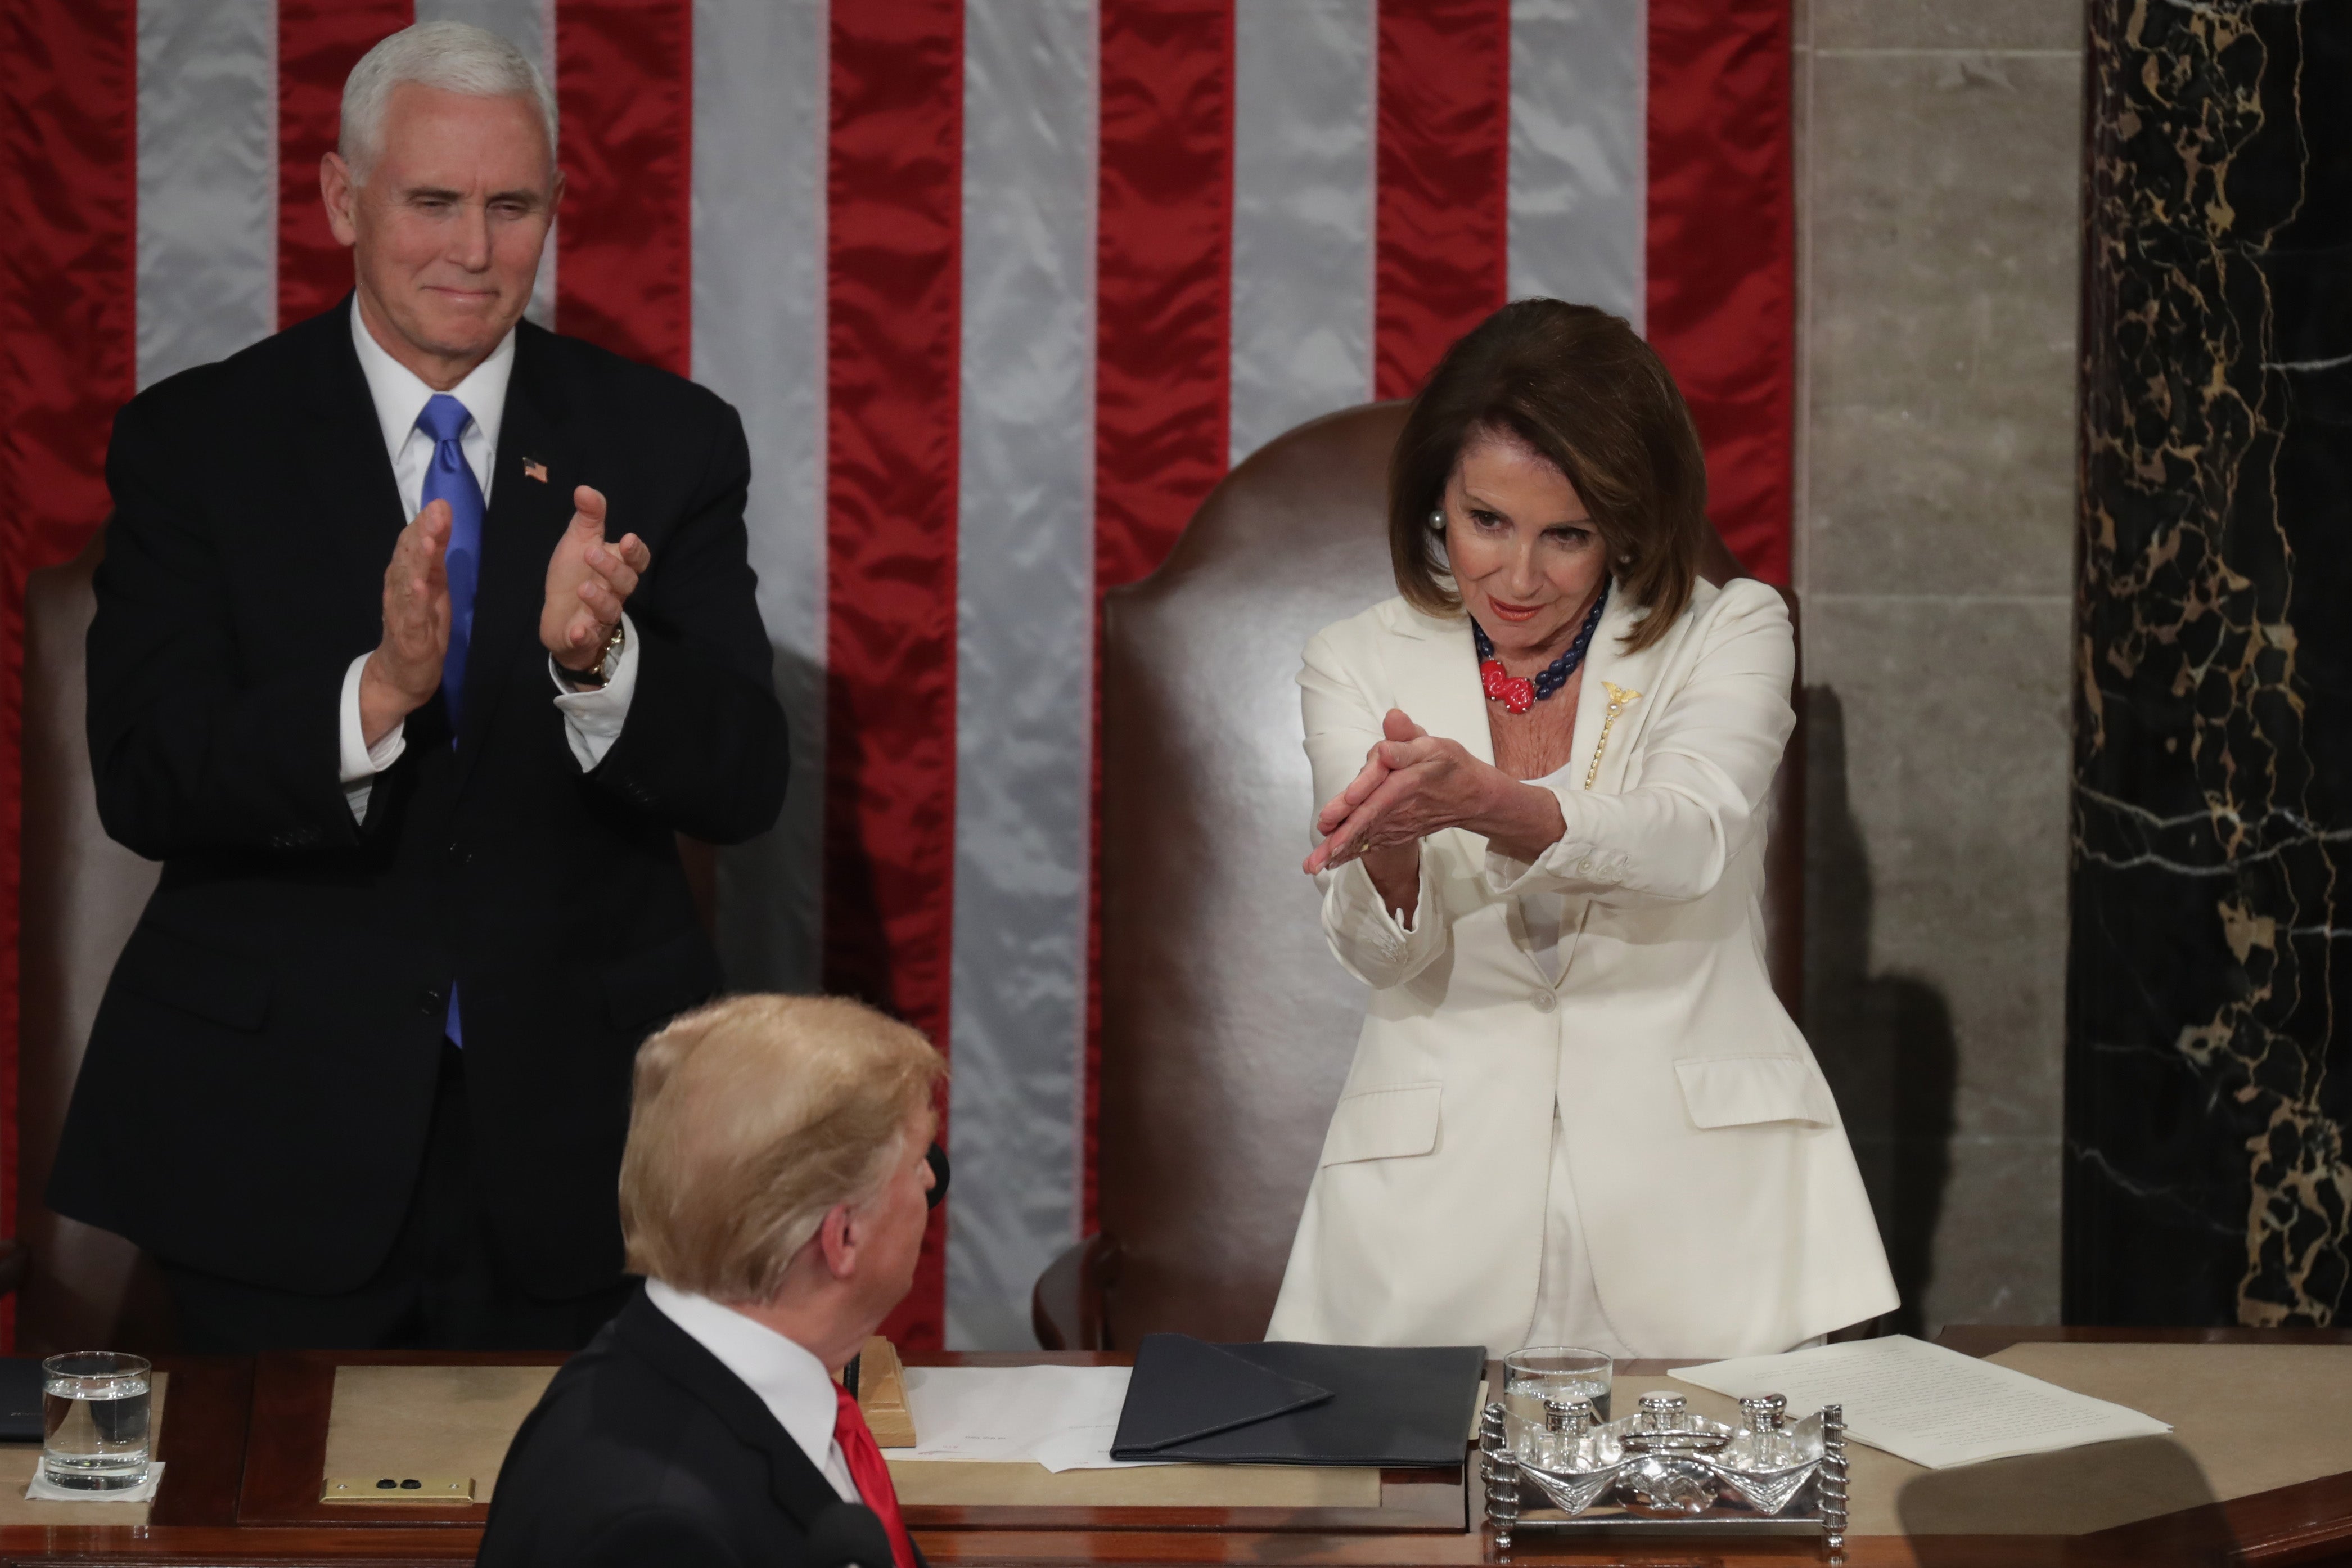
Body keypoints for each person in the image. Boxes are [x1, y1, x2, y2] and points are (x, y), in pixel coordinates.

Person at [48, 21, 790, 1352]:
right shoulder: (197, 442)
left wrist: (602, 666)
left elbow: (743, 778)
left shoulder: (666, 441)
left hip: (591, 1144)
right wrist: (375, 696)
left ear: (554, 210)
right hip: (269, 1139)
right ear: (343, 198)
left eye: (511, 207)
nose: (472, 247)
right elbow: (146, 770)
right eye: (432, 201)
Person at [1265, 300, 1896, 1359]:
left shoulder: (1729, 629)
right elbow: (1381, 952)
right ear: (1436, 505)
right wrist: (1388, 845)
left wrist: (1483, 801)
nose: (1518, 578)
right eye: (1486, 522)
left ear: (1630, 522)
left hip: (1712, 1217)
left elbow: (1682, 839)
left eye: (1567, 534)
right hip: (1429, 1227)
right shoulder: (1353, 658)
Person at [479, 995, 944, 1568]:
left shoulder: (669, 1375)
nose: (928, 1180)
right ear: (842, 1236)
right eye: (919, 1159)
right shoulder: (657, 1532)